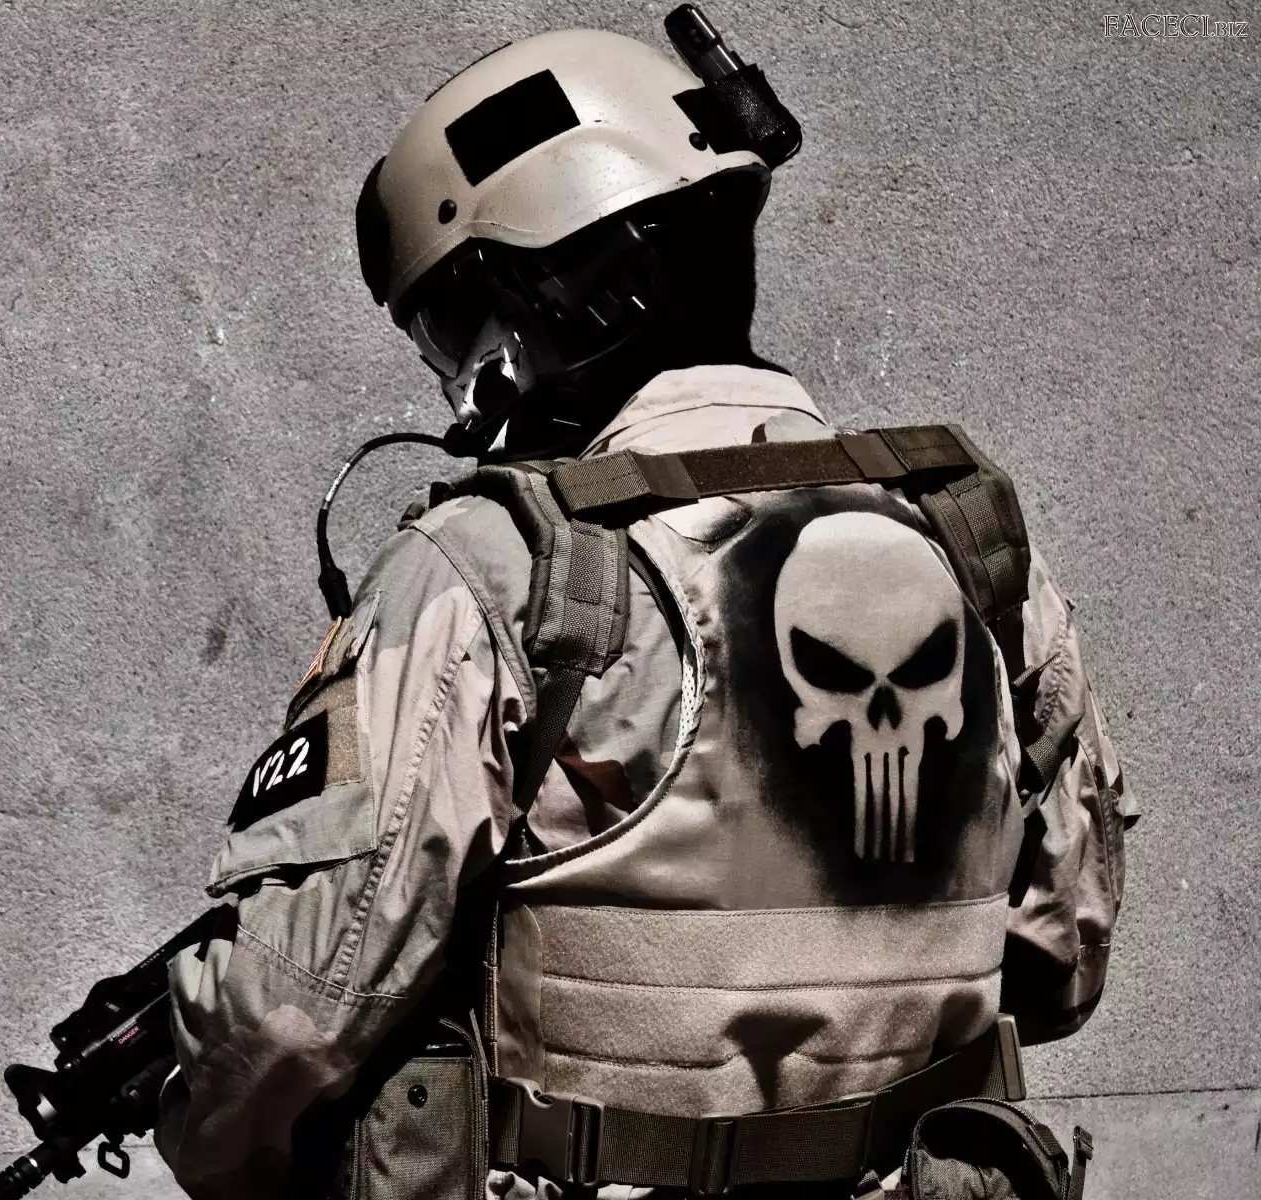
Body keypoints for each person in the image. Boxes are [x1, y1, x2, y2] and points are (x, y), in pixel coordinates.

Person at [155, 16, 1136, 1200]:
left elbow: (293, 1014)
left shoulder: (497, 562)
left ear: (563, 292)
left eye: (457, 323)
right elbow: (1062, 957)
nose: (458, 379)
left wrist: (205, 1122)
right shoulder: (966, 534)